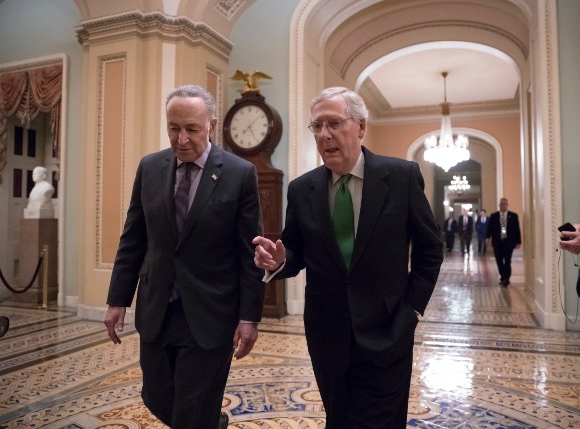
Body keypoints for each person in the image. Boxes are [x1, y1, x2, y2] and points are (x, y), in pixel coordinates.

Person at [253, 87, 443, 428]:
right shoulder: (302, 189)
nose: (324, 134)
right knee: (339, 420)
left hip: (388, 329)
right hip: (328, 334)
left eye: (334, 123)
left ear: (361, 127)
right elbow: (295, 252)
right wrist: (278, 260)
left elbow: (430, 250)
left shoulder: (401, 177)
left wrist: (411, 310)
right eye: (317, 126)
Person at [103, 85, 265, 429]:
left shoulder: (239, 173)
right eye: (173, 127)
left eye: (191, 128)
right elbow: (133, 238)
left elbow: (247, 252)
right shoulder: (150, 167)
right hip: (157, 307)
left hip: (210, 313)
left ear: (211, 124)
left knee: (192, 410)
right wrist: (117, 299)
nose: (181, 139)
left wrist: (249, 317)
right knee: (157, 396)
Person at [486, 197, 521, 287]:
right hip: (498, 242)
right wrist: (487, 237)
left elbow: (517, 229)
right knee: (499, 261)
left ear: (507, 205)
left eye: (504, 204)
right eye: (501, 204)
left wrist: (518, 241)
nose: (503, 205)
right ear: (499, 205)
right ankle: (502, 276)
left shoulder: (513, 216)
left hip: (509, 243)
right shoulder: (494, 216)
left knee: (508, 261)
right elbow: (489, 228)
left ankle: (506, 279)